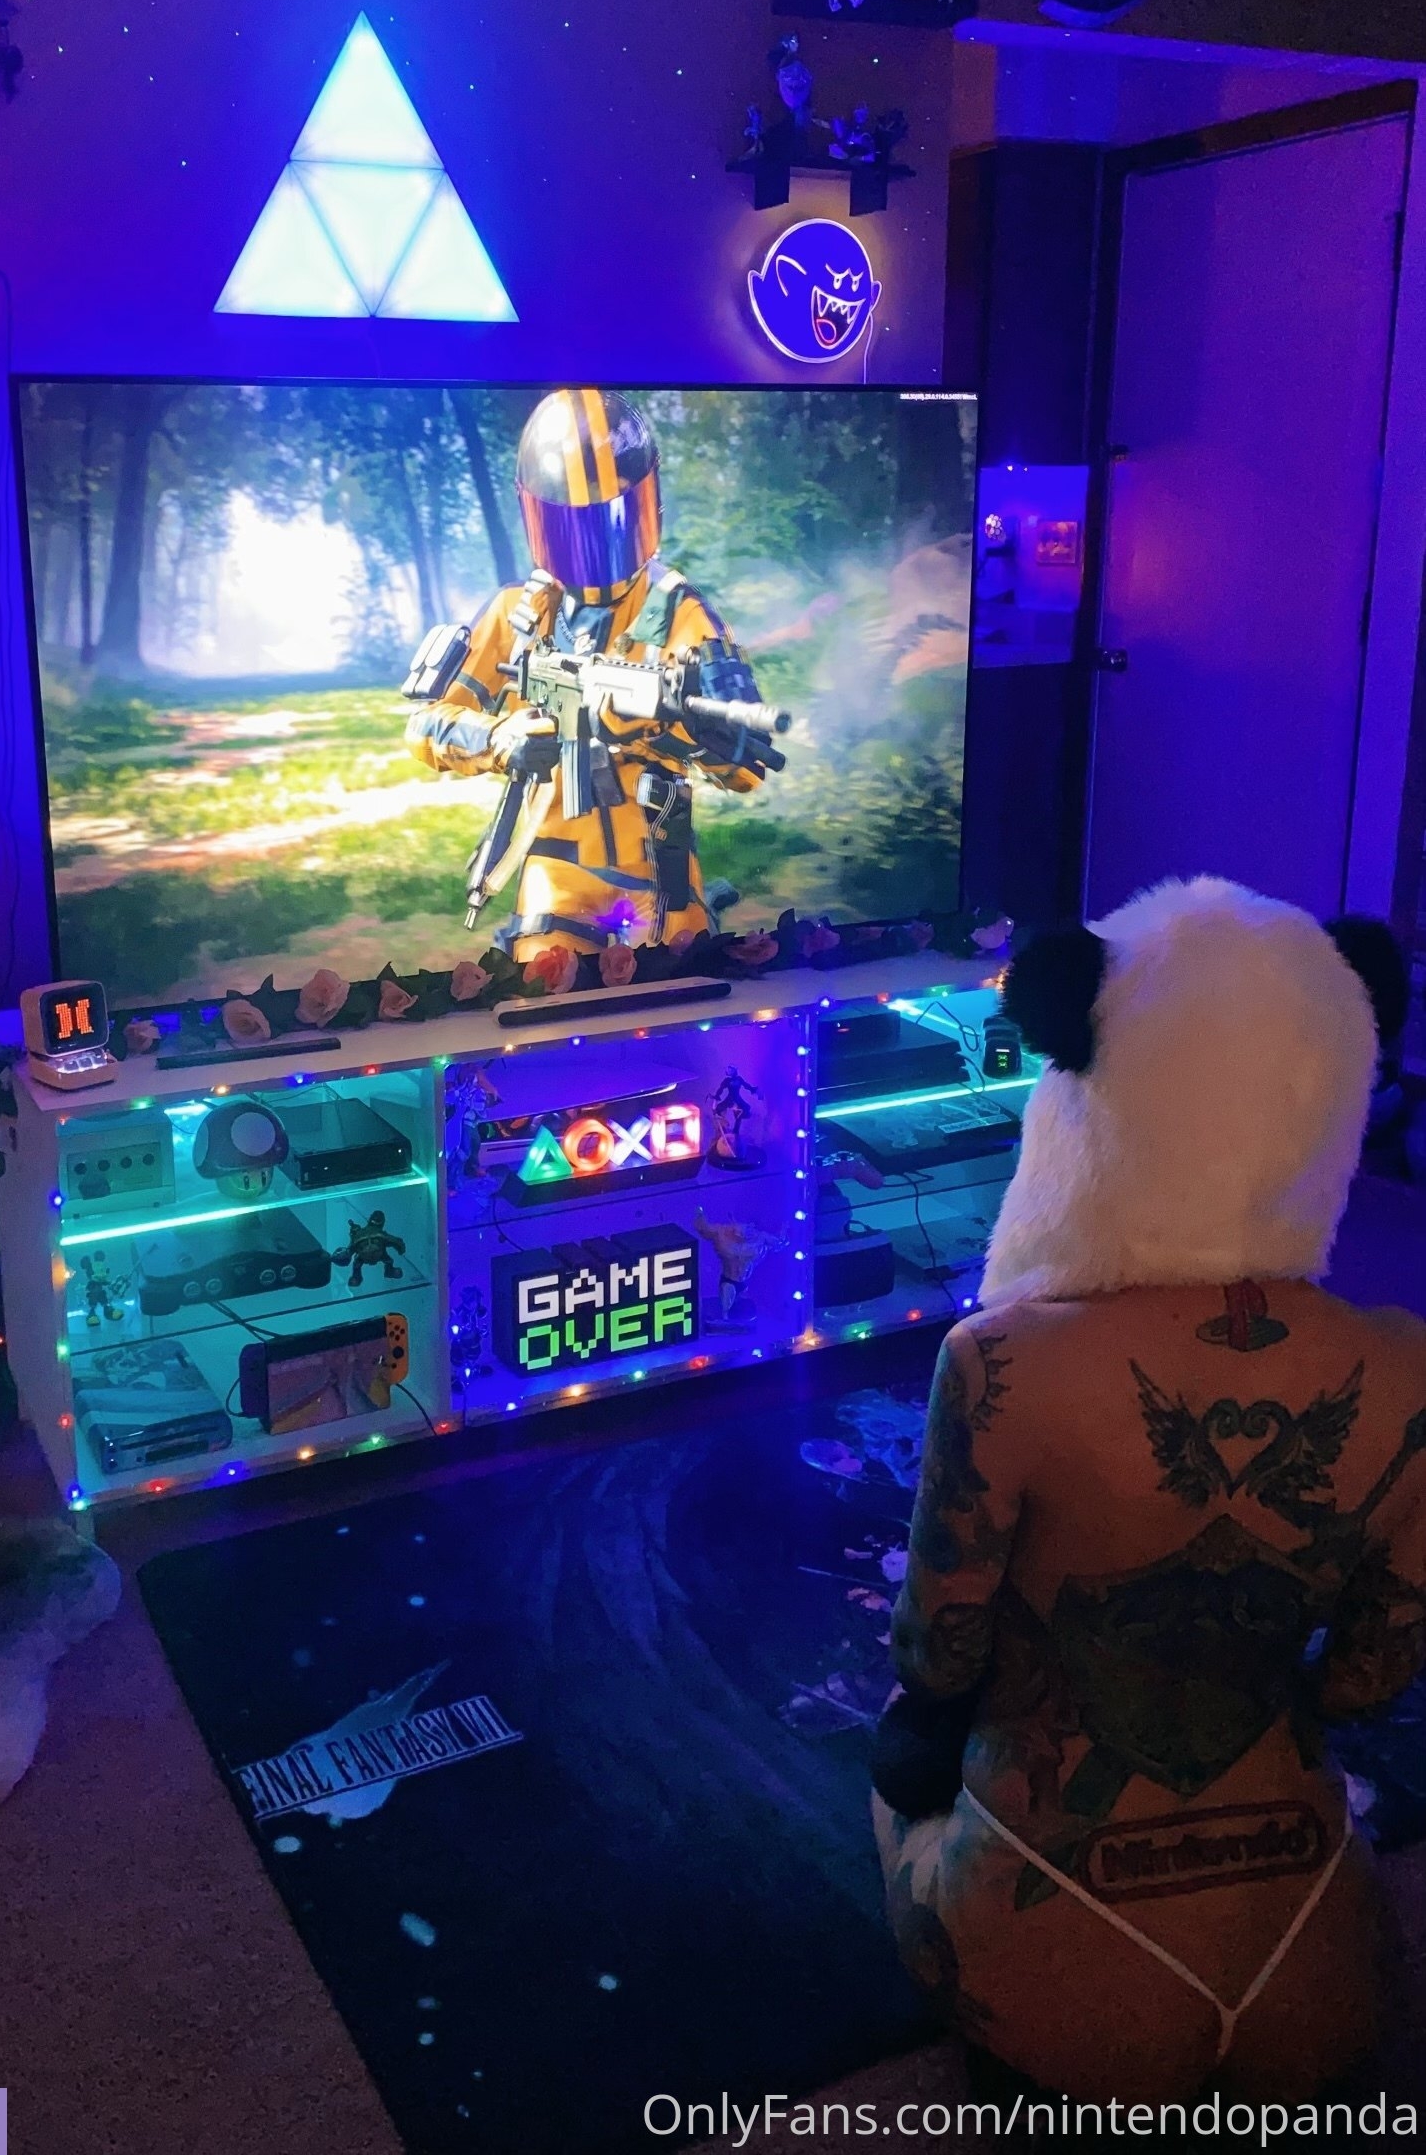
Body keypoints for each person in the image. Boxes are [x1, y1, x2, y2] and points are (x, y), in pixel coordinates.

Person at [872, 878, 1423, 2104]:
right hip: (1322, 1964)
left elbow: (936, 1656)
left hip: (1054, 1955)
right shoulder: (1406, 1366)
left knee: (895, 1769)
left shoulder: (1000, 1365)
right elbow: (1366, 1680)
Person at [402, 387, 777, 960]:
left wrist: (668, 728)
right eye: (572, 525)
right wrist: (499, 739)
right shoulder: (518, 614)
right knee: (544, 982)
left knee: (683, 981)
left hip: (661, 868)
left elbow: (748, 768)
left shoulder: (681, 613)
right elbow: (424, 725)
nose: (592, 543)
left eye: (609, 519)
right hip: (557, 868)